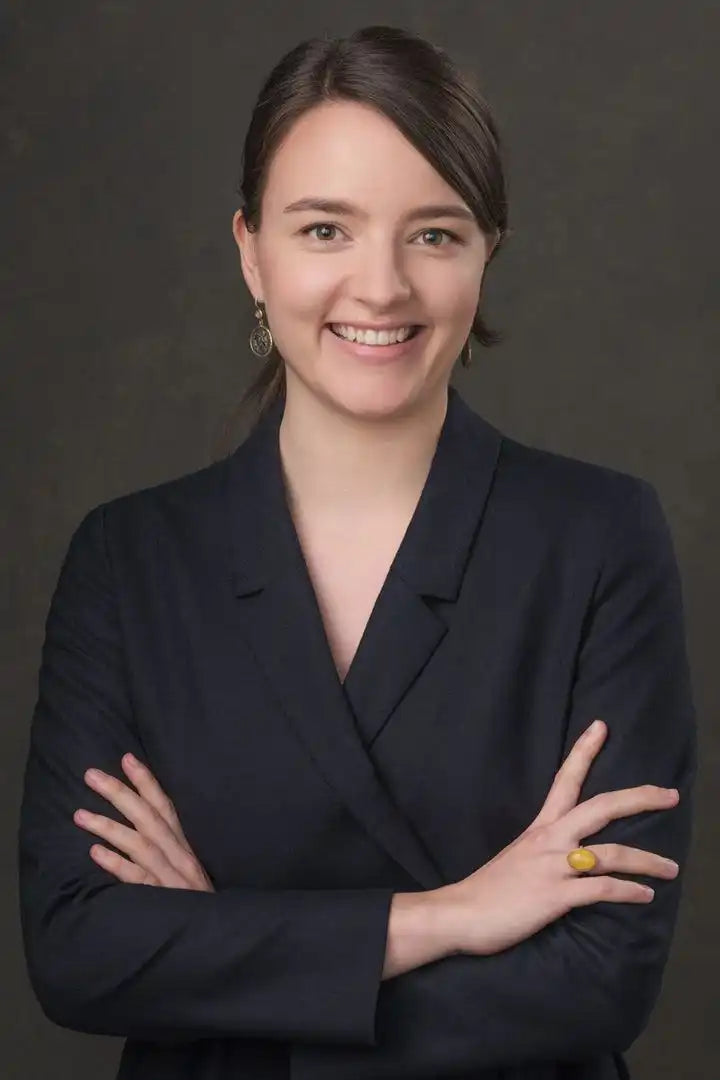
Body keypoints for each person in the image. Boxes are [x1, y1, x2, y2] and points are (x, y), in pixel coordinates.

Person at [18, 23, 696, 1080]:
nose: (380, 288)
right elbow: (77, 953)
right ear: (251, 249)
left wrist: (230, 962)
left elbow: (602, 977)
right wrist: (449, 916)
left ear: (488, 253)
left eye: (433, 234)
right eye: (325, 229)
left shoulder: (599, 539)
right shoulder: (130, 560)